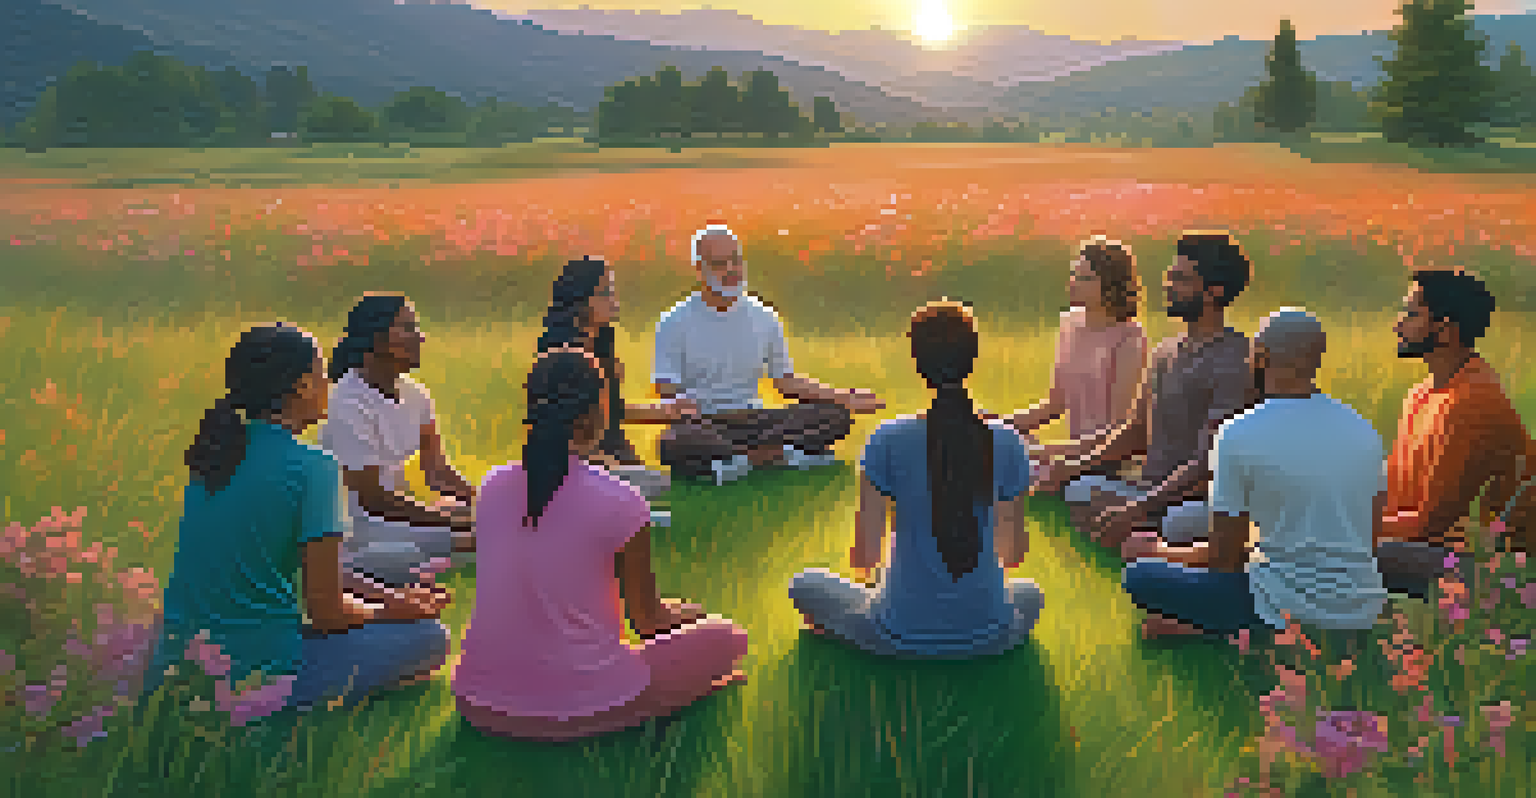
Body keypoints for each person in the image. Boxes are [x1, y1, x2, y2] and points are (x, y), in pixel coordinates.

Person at [143, 323, 450, 719]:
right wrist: (391, 613)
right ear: (303, 386)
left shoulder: (213, 456)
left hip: (176, 663)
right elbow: (326, 612)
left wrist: (394, 598)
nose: (330, 384)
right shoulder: (313, 467)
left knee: (379, 609)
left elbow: (320, 572)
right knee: (428, 637)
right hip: (256, 673)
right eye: (324, 374)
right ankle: (309, 705)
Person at [454, 348, 749, 742]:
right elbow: (648, 622)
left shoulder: (490, 487)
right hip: (584, 707)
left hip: (479, 705)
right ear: (596, 413)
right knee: (728, 637)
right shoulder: (622, 501)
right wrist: (689, 612)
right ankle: (662, 702)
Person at [788, 301, 1044, 659]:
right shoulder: (1007, 442)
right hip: (991, 634)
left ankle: (848, 627)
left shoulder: (887, 439)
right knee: (1030, 593)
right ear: (972, 359)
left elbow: (864, 557)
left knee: (804, 585)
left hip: (899, 635)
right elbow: (1013, 555)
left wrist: (890, 579)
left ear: (918, 364)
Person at [1120, 308, 1389, 642]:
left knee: (1140, 576)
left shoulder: (1238, 433)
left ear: (1260, 356)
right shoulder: (1364, 432)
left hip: (1280, 605)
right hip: (1358, 609)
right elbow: (1370, 539)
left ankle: (1240, 637)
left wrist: (1159, 551)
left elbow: (1223, 558)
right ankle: (1262, 635)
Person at [1034, 231, 1259, 550]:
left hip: (1197, 500)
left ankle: (1150, 542)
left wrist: (1137, 509)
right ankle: (1139, 538)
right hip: (1147, 490)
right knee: (1080, 489)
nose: (1168, 285)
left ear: (1214, 292)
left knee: (1178, 523)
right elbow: (1134, 434)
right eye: (1170, 275)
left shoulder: (1237, 362)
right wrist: (1072, 465)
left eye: (1181, 279)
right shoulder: (1165, 352)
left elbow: (1207, 464)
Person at [653, 223, 885, 485]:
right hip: (707, 421)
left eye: (736, 261)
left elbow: (786, 382)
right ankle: (778, 457)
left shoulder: (764, 316)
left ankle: (737, 461)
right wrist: (685, 405)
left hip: (757, 420)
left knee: (836, 417)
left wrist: (845, 398)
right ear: (699, 270)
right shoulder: (674, 321)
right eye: (719, 264)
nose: (731, 270)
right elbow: (666, 387)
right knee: (673, 442)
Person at [1376, 270, 1535, 599]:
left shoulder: (1472, 402)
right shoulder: (1419, 396)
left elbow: (1429, 525)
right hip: (1433, 548)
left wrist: (1337, 534)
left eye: (1411, 314)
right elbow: (1391, 492)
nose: (1398, 325)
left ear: (1445, 330)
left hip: (1489, 564)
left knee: (1337, 558)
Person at [319, 293, 477, 592]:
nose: (420, 338)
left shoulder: (416, 395)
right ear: (376, 339)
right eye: (408, 328)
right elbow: (372, 500)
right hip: (363, 529)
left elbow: (437, 472)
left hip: (401, 517)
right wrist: (446, 521)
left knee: (468, 516)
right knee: (482, 539)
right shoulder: (346, 402)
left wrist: (485, 504)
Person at [536, 256, 700, 503]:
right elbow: (567, 430)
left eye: (613, 291)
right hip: (578, 463)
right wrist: (607, 466)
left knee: (667, 475)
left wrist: (667, 412)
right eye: (606, 293)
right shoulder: (565, 358)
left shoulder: (601, 342)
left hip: (612, 452)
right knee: (661, 486)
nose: (614, 301)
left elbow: (611, 409)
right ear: (582, 302)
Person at [1007, 235, 1147, 490]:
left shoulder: (1130, 340)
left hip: (1106, 463)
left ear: (1111, 287)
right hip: (1069, 455)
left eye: (1085, 278)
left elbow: (1116, 432)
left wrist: (1043, 451)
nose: (1073, 283)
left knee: (1013, 472)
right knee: (995, 455)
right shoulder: (1069, 324)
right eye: (1074, 275)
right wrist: (998, 425)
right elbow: (1054, 405)